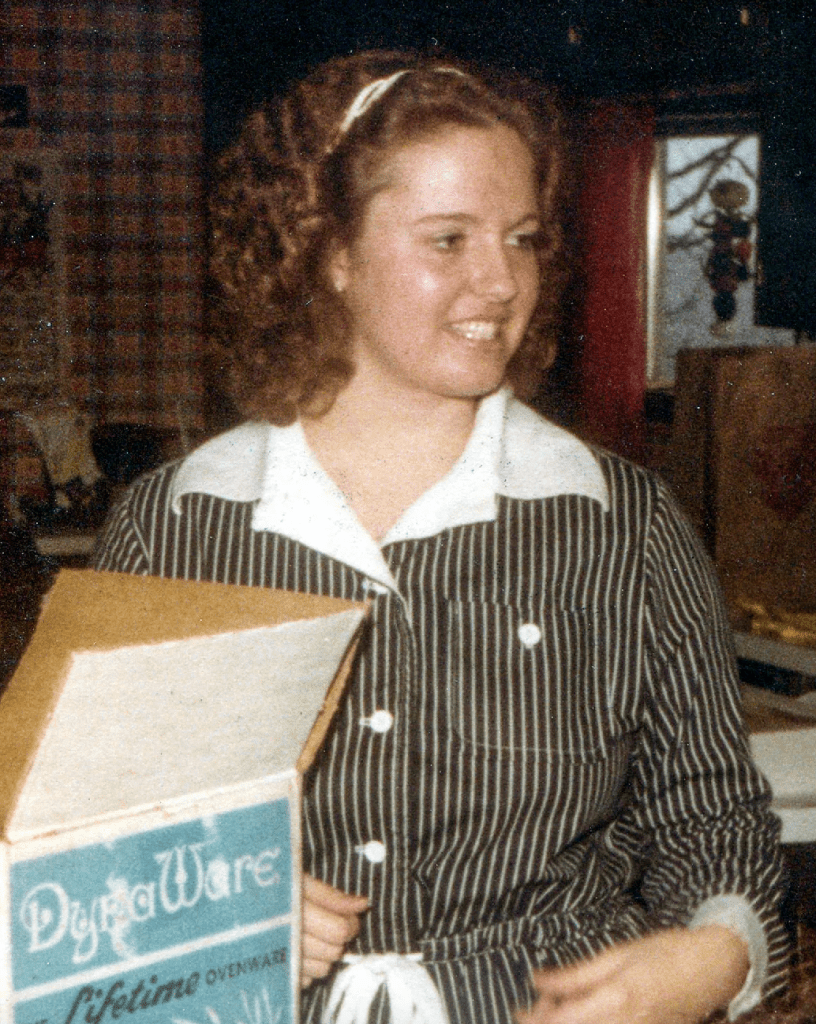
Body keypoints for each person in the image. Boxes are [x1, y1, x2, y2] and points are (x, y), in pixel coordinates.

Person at [93, 50, 790, 1024]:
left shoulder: (623, 522)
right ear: (330, 252)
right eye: (449, 239)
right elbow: (88, 839)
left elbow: (712, 818)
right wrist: (203, 914)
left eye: (522, 238)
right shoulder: (174, 528)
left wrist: (716, 954)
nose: (501, 281)